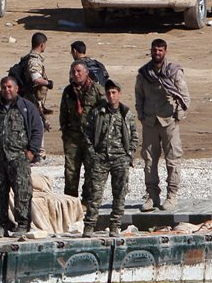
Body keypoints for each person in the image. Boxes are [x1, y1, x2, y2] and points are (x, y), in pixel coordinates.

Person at [0, 76, 44, 237]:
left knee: (22, 192)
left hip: (19, 158)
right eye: (4, 87)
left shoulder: (26, 107)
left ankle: (23, 224)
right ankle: (1, 225)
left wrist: (32, 152)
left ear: (16, 88)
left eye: (10, 87)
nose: (7, 90)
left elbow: (37, 129)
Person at [135, 38, 190, 211]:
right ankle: (152, 196)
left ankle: (171, 195)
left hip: (169, 121)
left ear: (165, 51)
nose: (157, 53)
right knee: (149, 161)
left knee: (172, 160)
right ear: (150, 51)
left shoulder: (173, 72)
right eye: (154, 50)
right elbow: (139, 95)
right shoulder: (144, 73)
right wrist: (142, 115)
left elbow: (184, 96)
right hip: (150, 122)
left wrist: (178, 115)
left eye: (160, 50)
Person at [83, 79, 139, 237]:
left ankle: (115, 226)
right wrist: (93, 154)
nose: (111, 96)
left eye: (114, 92)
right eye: (108, 93)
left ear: (119, 94)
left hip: (120, 158)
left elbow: (134, 135)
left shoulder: (126, 113)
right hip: (101, 158)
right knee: (95, 194)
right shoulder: (98, 112)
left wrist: (129, 154)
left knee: (119, 194)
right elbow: (88, 134)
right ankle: (89, 227)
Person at [59, 60, 105, 198]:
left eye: (79, 71)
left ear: (86, 72)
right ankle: (70, 200)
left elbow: (105, 113)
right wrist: (65, 133)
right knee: (70, 171)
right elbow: (63, 113)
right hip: (73, 137)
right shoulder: (68, 91)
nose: (76, 74)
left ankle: (87, 200)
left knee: (91, 170)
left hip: (91, 138)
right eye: (73, 71)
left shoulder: (97, 90)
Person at [12, 32, 54, 130]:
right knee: (35, 126)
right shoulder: (34, 60)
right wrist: (48, 83)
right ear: (42, 45)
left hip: (27, 96)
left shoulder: (27, 58)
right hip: (30, 97)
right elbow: (36, 79)